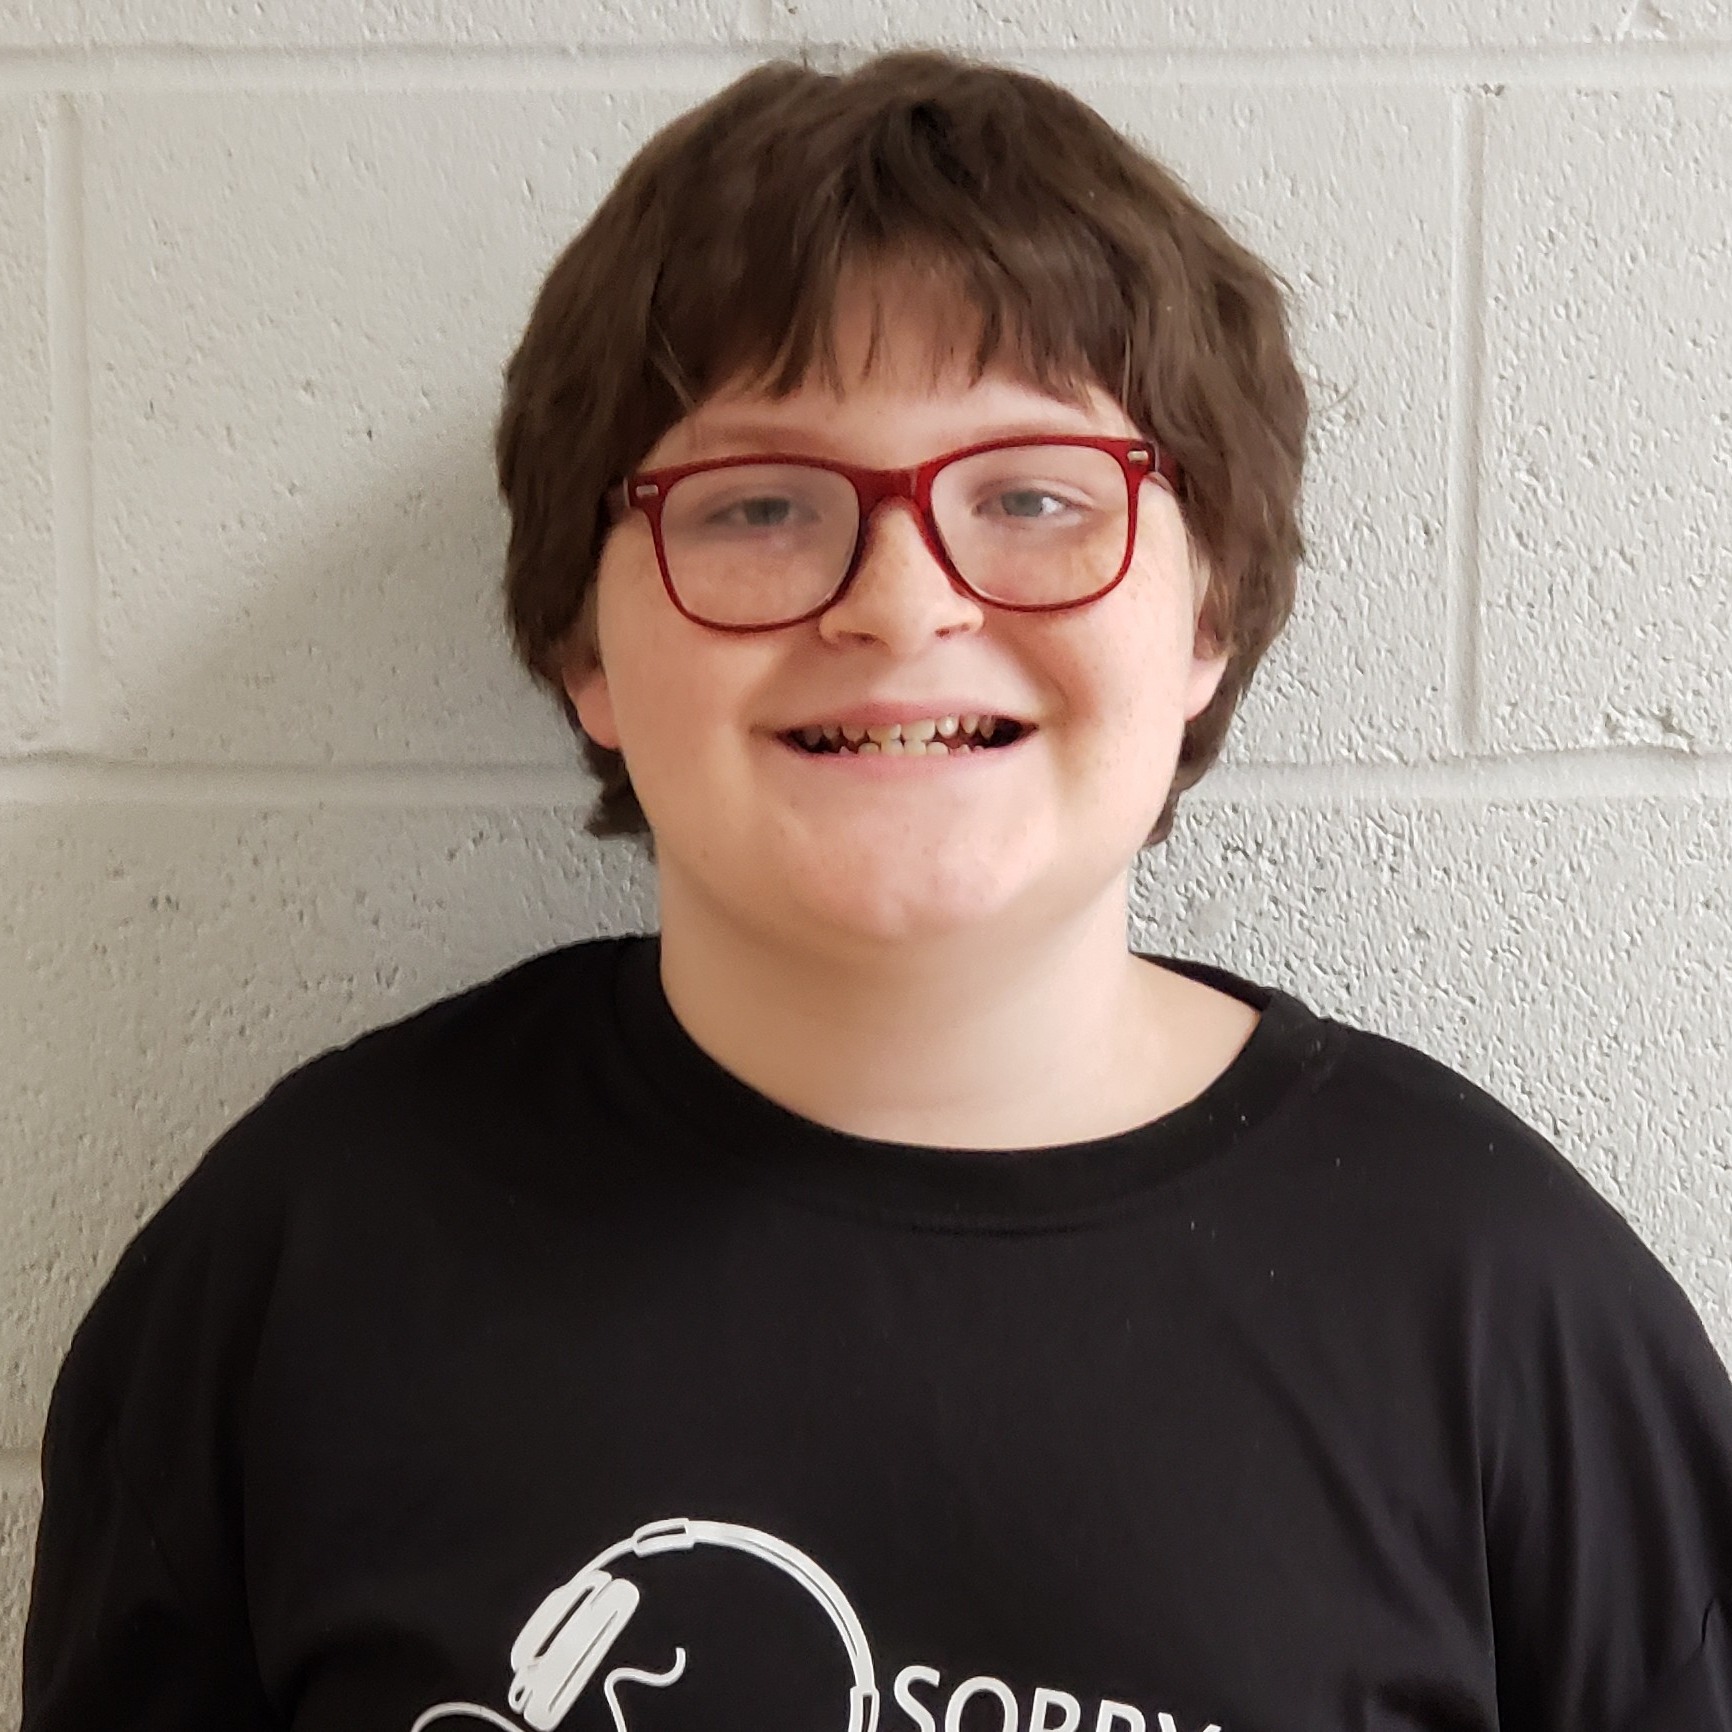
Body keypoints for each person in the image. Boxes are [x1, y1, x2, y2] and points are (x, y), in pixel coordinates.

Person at [21, 47, 1732, 1732]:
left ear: (1207, 616)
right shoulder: (301, 1266)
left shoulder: (1508, 1318)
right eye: (759, 506)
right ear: (581, 646)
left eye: (1035, 496)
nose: (904, 605)